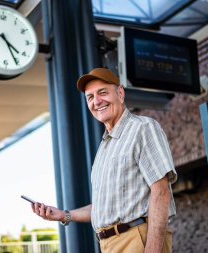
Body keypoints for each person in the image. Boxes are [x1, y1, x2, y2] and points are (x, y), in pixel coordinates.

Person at [31, 68, 177, 253]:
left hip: (137, 238)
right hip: (108, 244)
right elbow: (104, 207)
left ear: (120, 93)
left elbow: (161, 191)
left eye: (102, 92)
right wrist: (64, 215)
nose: (96, 101)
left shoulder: (143, 128)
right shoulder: (104, 147)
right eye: (90, 97)